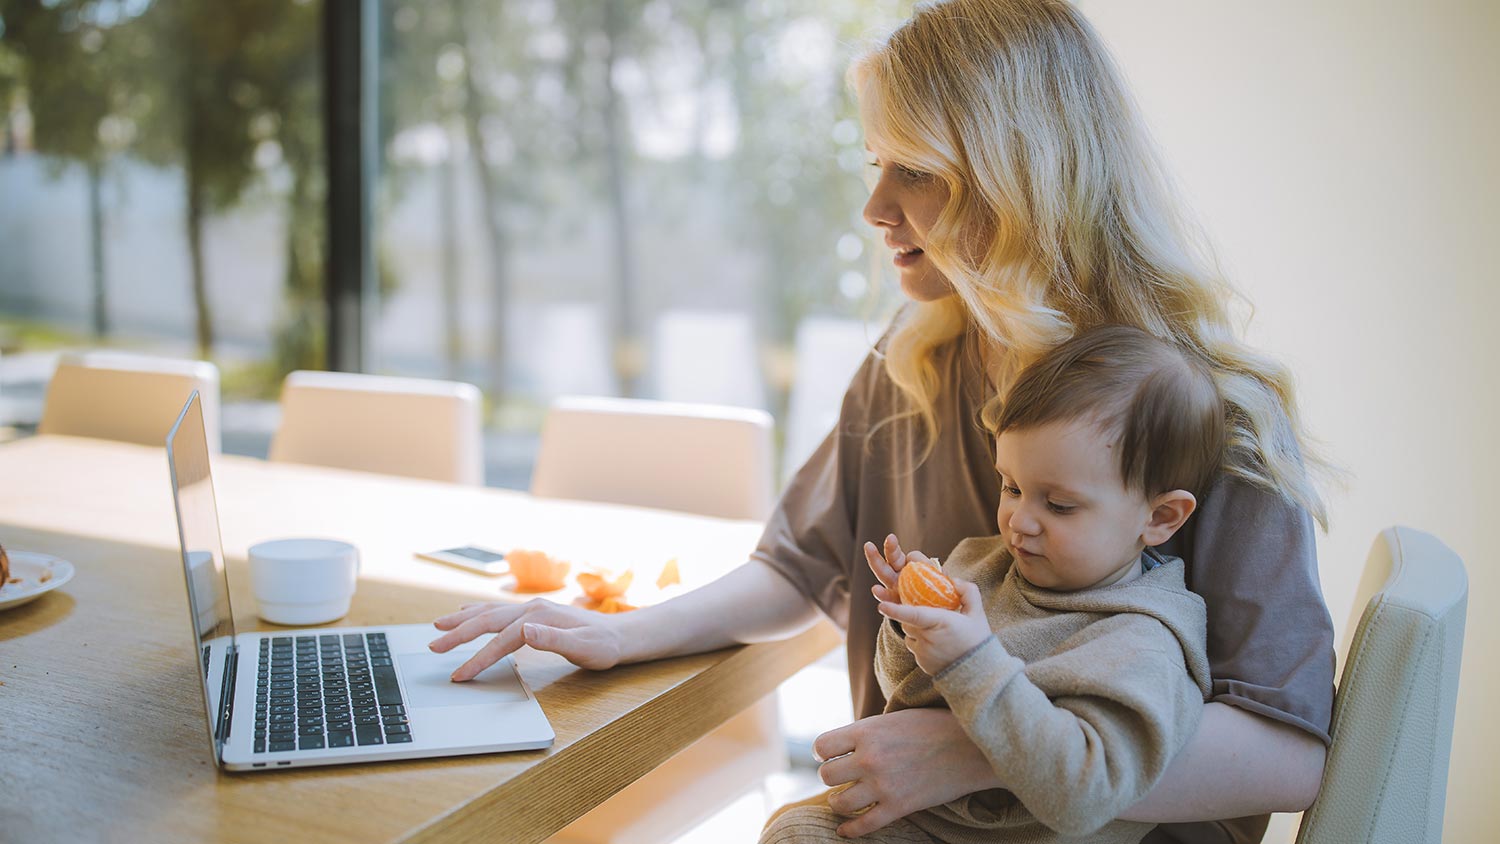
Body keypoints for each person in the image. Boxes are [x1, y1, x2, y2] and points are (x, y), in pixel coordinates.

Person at [428, 2, 1335, 841]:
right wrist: (623, 633)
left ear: (1023, 179)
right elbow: (800, 567)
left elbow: (1289, 749)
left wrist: (973, 752)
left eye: (918, 172)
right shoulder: (915, 357)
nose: (875, 209)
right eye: (876, 165)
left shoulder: (1210, 410)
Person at [760, 324, 1224, 844]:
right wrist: (911, 631)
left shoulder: (1142, 643)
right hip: (930, 820)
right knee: (794, 829)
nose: (1019, 521)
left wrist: (971, 660)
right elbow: (906, 698)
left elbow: (1083, 796)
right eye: (1012, 486)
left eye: (1059, 505)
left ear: (1161, 516)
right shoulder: (984, 566)